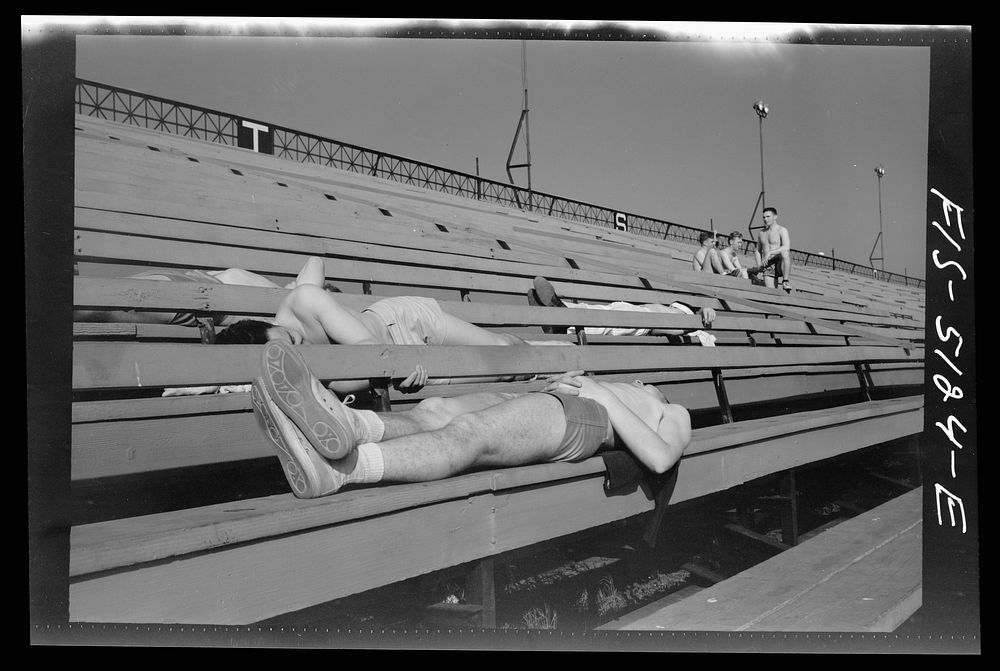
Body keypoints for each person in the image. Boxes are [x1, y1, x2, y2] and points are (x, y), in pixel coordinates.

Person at [249, 339, 692, 498]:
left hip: (584, 418)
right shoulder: (633, 389)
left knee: (468, 435)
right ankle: (347, 427)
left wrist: (602, 395)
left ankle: (340, 470)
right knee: (434, 410)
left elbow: (658, 458)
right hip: (552, 398)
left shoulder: (673, 410)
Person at [216, 280, 570, 394]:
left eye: (292, 340)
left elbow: (372, 352)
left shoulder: (301, 300)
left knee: (500, 347)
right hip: (404, 361)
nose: (301, 346)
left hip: (402, 322)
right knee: (504, 370)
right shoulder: (293, 369)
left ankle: (563, 351)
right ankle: (553, 363)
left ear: (269, 323)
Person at [74, 256, 335, 328]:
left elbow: (315, 263)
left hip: (200, 301)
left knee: (105, 307)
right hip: (191, 280)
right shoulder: (282, 293)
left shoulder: (292, 305)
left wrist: (311, 291)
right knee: (99, 292)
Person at [527, 276, 717, 346]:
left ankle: (561, 320)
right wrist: (704, 310)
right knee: (599, 311)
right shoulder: (683, 309)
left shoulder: (689, 322)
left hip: (645, 323)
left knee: (609, 321)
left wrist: (701, 318)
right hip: (635, 310)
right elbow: (701, 309)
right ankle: (559, 309)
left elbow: (672, 329)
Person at [751, 207, 792, 292]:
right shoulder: (762, 233)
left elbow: (786, 247)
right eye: (764, 217)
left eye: (768, 216)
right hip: (768, 264)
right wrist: (759, 264)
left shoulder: (782, 230)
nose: (765, 219)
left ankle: (785, 281)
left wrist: (770, 252)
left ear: (775, 217)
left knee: (785, 253)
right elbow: (758, 250)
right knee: (771, 292)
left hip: (780, 262)